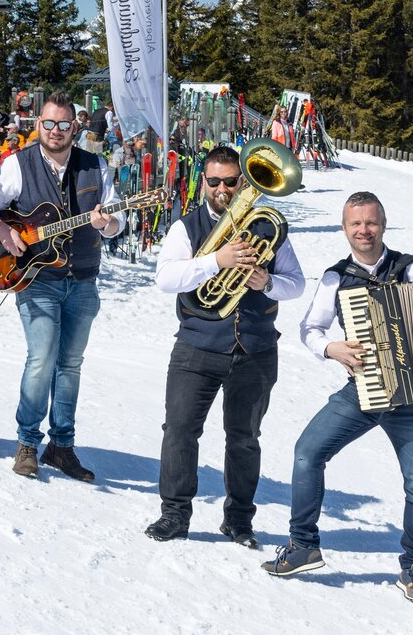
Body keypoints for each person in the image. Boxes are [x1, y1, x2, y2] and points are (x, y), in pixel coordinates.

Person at [261, 191, 413, 607]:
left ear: (383, 224)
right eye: (356, 224)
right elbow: (310, 329)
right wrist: (332, 348)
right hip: (364, 389)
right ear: (344, 229)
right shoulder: (335, 278)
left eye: (371, 222)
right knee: (307, 453)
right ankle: (303, 546)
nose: (364, 230)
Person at [144, 145, 306, 546]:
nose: (222, 189)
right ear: (203, 182)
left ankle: (238, 521)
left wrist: (267, 282)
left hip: (255, 350)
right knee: (179, 431)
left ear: (242, 182)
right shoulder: (186, 228)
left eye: (231, 182)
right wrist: (217, 261)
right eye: (214, 181)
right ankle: (175, 515)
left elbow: (297, 284)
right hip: (197, 347)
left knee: (245, 439)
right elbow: (166, 278)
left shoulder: (268, 226)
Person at [0, 92, 123, 480]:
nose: (55, 131)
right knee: (42, 360)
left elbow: (116, 220)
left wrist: (106, 223)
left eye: (63, 124)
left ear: (75, 127)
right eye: (48, 123)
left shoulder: (95, 165)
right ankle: (27, 442)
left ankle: (61, 446)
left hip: (83, 280)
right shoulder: (17, 164)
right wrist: (3, 231)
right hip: (36, 278)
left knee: (70, 365)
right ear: (37, 124)